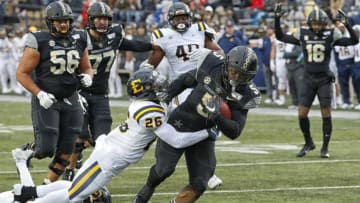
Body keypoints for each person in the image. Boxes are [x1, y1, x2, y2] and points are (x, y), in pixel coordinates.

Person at [6, 69, 215, 203]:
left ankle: (28, 193)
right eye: (156, 85)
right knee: (74, 196)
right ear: (146, 91)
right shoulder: (149, 111)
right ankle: (30, 198)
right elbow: (175, 139)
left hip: (110, 150)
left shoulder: (146, 104)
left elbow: (172, 97)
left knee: (75, 188)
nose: (161, 87)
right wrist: (207, 131)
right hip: (110, 159)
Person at [134, 46, 261, 203]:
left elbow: (235, 131)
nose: (235, 77)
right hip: (180, 123)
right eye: (234, 71)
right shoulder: (212, 64)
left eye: (242, 76)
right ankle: (144, 193)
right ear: (227, 64)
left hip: (204, 134)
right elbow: (187, 79)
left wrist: (216, 116)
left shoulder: (247, 93)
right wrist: (168, 95)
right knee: (163, 170)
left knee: (200, 183)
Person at [62, 2, 155, 181]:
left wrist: (152, 46)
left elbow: (130, 44)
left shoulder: (114, 35)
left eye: (105, 19)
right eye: (98, 18)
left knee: (102, 139)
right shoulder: (80, 38)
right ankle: (70, 170)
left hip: (101, 94)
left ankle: (91, 171)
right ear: (91, 20)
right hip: (80, 93)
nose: (102, 22)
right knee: (79, 135)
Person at [144, 1, 224, 189]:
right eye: (177, 18)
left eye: (184, 17)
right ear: (170, 20)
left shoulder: (199, 30)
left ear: (189, 18)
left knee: (204, 129)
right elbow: (151, 63)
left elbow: (218, 52)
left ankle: (206, 172)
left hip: (203, 85)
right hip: (181, 87)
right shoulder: (164, 36)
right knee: (191, 129)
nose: (181, 21)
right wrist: (144, 75)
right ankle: (206, 174)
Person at [16, 1, 94, 184]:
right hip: (47, 99)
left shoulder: (80, 38)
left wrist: (88, 76)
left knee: (67, 149)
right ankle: (25, 152)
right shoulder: (39, 40)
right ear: (49, 22)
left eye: (66, 21)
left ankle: (46, 185)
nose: (63, 24)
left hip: (71, 98)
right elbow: (21, 73)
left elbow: (87, 67)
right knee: (46, 149)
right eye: (59, 21)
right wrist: (39, 93)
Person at [274, 4, 359, 158]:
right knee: (302, 114)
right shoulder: (302, 33)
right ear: (310, 23)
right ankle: (308, 142)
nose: (317, 26)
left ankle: (325, 148)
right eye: (315, 23)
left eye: (320, 23)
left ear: (324, 24)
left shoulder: (331, 34)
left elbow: (353, 40)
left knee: (326, 113)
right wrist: (277, 19)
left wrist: (347, 24)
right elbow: (281, 37)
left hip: (324, 79)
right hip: (308, 78)